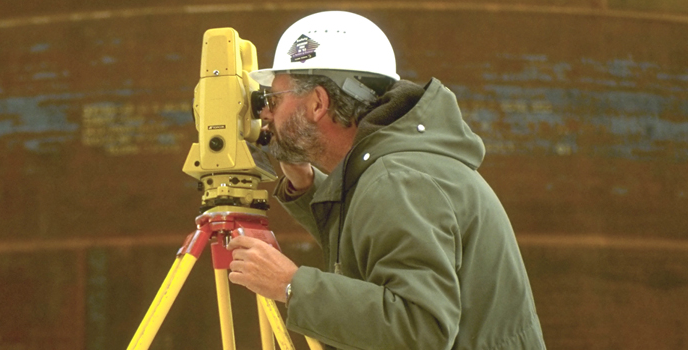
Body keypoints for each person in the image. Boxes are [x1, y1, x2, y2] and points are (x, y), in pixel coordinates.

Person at [224, 11, 546, 350]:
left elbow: (419, 328)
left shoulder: (398, 181)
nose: (264, 113)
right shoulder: (394, 168)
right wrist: (305, 184)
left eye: (273, 99)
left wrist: (291, 286)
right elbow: (372, 243)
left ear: (318, 103)